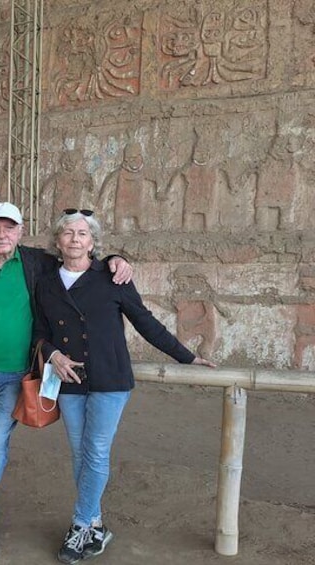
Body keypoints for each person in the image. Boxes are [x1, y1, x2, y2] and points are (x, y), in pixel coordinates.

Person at [0, 202, 133, 558]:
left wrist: (116, 258)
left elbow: (79, 255)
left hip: (13, 377)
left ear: (21, 232)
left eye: (10, 228)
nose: (2, 234)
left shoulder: (37, 264)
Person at [32, 208, 216, 564]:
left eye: (82, 234)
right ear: (57, 241)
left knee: (96, 452)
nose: (75, 239)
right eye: (68, 233)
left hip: (109, 377)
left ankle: (80, 523)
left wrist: (186, 356)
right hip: (68, 380)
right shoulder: (46, 282)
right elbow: (40, 330)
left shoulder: (111, 277)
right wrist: (52, 353)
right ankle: (97, 526)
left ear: (92, 241)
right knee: (80, 454)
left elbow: (145, 322)